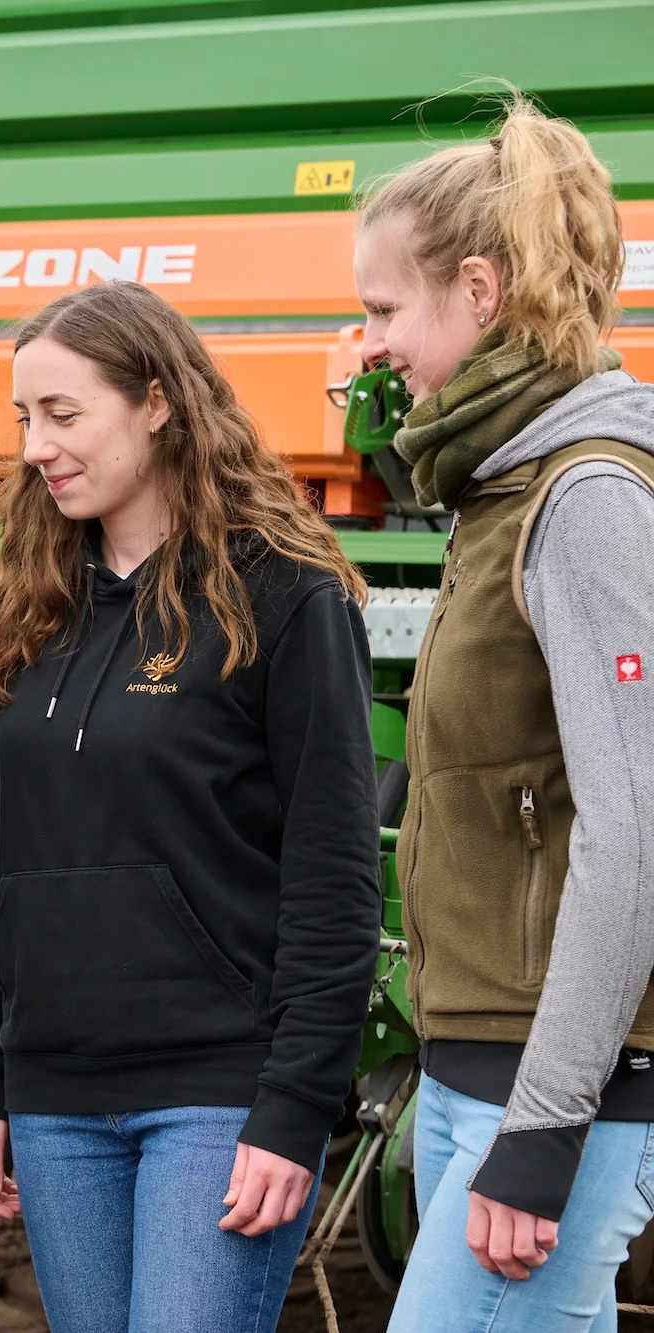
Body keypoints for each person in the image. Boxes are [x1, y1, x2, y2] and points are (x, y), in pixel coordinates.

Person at [0, 281, 382, 1333]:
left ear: (155, 403)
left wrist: (292, 1108)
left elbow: (333, 875)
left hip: (215, 1094)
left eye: (63, 414)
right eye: (23, 420)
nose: (38, 446)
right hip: (55, 1100)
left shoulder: (282, 596)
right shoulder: (25, 609)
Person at [352, 97, 654, 1333]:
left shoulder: (581, 497)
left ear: (475, 291)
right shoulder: (502, 489)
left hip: (552, 1093)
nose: (367, 345)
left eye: (381, 309)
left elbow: (632, 837)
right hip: (488, 1068)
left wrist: (541, 1128)